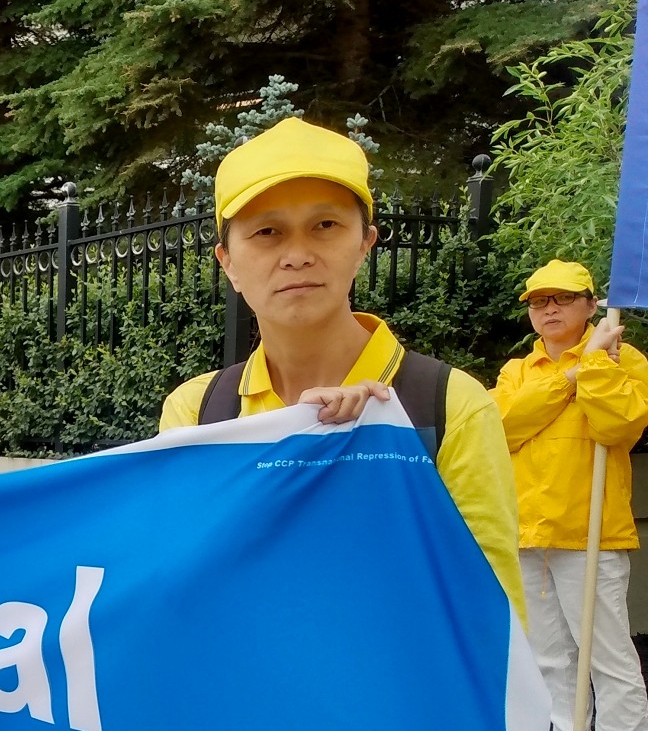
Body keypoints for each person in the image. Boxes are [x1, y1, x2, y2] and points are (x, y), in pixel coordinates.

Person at [159, 117, 524, 622]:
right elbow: (179, 588)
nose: (297, 256)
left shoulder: (448, 405)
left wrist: (373, 459)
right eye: (267, 232)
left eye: (325, 226)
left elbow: (489, 618)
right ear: (228, 263)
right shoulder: (197, 412)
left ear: (364, 244)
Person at [495, 260, 648, 731]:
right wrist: (572, 375)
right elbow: (502, 426)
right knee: (549, 659)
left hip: (590, 532)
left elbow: (618, 427)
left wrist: (597, 363)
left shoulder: (626, 361)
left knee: (607, 656)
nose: (550, 309)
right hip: (529, 530)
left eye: (562, 298)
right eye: (539, 302)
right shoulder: (517, 369)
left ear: (590, 304)